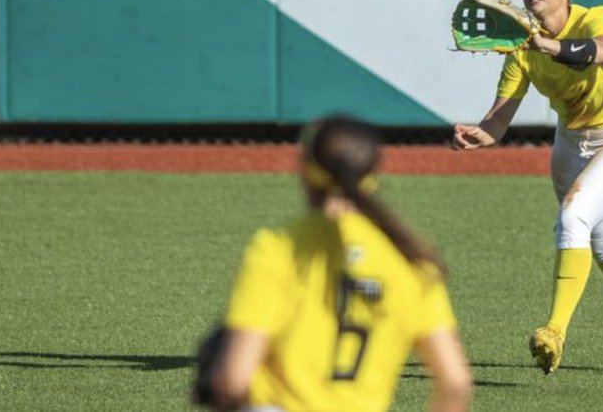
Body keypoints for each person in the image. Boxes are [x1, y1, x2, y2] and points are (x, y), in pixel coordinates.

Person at [451, 0, 603, 375]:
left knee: (573, 218)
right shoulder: (521, 49)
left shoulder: (591, 18)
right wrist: (481, 133)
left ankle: (554, 331)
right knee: (601, 241)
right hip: (571, 144)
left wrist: (549, 45)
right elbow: (500, 118)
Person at [198, 114, 473, 412]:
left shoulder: (278, 248)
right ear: (373, 175)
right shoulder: (413, 261)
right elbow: (455, 383)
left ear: (303, 170)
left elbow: (233, 379)